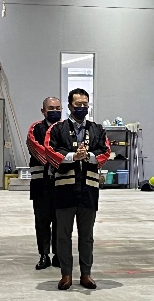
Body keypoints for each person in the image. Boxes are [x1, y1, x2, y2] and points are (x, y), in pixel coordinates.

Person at [45, 89, 110, 290]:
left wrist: (88, 155)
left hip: (88, 189)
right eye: (78, 104)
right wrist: (73, 156)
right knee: (63, 235)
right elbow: (51, 151)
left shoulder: (97, 129)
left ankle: (86, 274)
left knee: (86, 235)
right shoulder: (57, 129)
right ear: (70, 106)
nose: (82, 108)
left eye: (85, 104)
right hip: (64, 189)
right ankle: (66, 274)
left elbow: (105, 150)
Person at [27, 96, 62, 270]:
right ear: (43, 111)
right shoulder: (36, 128)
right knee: (42, 222)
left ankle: (57, 255)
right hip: (40, 184)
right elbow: (35, 147)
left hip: (62, 184)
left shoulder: (66, 129)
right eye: (51, 108)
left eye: (58, 108)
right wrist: (56, 159)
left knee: (60, 221)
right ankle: (43, 255)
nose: (55, 111)